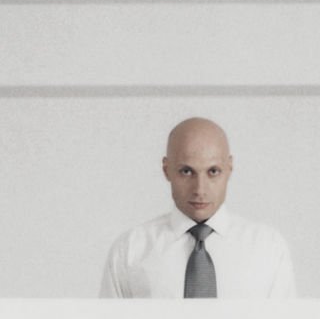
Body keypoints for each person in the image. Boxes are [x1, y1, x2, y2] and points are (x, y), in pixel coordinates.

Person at [99, 118, 295, 298]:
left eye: (213, 172)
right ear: (166, 170)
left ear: (229, 168)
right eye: (186, 171)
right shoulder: (130, 250)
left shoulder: (268, 249)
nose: (200, 189)